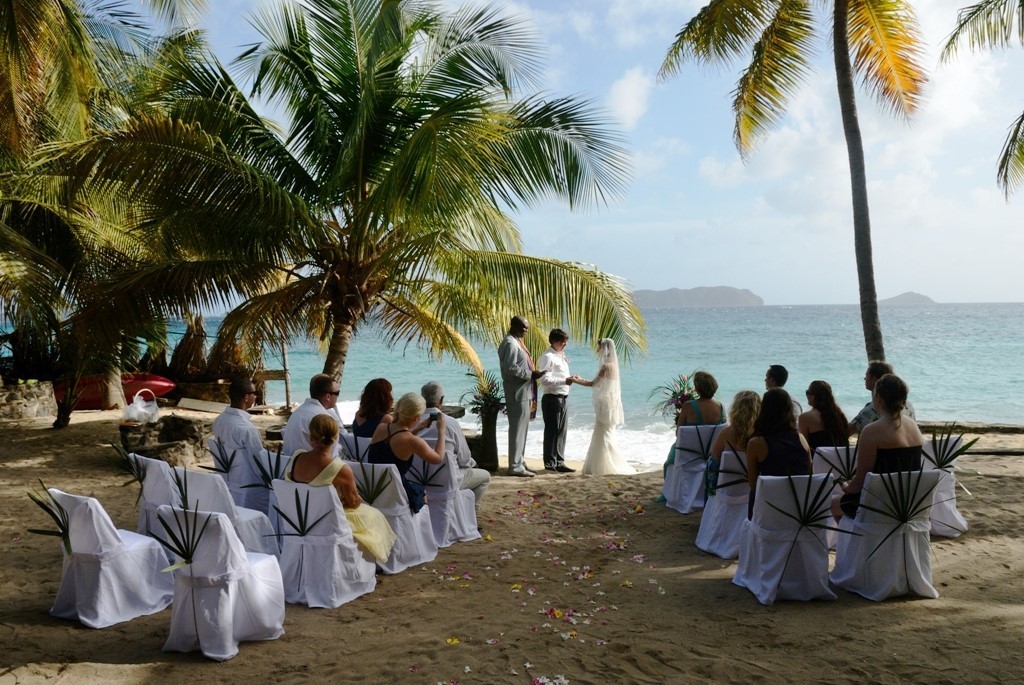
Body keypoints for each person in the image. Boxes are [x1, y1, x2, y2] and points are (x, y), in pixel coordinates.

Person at [287, 414, 396, 562]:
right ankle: (375, 561)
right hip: (329, 521)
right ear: (335, 437)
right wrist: (355, 498)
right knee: (375, 515)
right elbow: (353, 503)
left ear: (310, 438)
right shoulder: (339, 468)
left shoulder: (296, 458)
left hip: (302, 519)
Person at [833, 373, 924, 520]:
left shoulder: (872, 431)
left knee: (832, 505)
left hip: (877, 504)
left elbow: (861, 481)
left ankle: (857, 541)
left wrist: (846, 487)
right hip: (907, 503)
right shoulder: (912, 425)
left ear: (879, 398)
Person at [368, 392, 446, 513]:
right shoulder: (412, 441)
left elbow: (397, 440)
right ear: (415, 418)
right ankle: (418, 526)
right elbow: (438, 458)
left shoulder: (382, 427)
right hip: (396, 490)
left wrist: (417, 428)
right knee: (420, 491)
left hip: (375, 488)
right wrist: (441, 431)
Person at [420, 381, 490, 507]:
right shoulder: (450, 423)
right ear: (441, 400)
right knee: (485, 477)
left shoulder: (413, 422)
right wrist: (471, 464)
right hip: (448, 481)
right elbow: (464, 458)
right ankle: (469, 514)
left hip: (420, 480)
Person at [745, 388, 812, 518]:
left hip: (767, 511)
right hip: (798, 510)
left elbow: (753, 484)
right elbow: (809, 475)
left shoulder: (756, 443)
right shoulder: (800, 438)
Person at [572, 339, 635, 476]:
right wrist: (581, 378)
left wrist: (576, 380)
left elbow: (593, 384)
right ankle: (606, 463)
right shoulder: (614, 366)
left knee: (602, 435)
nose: (598, 351)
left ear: (604, 349)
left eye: (598, 348)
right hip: (612, 404)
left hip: (604, 405)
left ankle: (603, 466)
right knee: (608, 433)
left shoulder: (605, 367)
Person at [498, 315, 546, 477]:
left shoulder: (516, 341)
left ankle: (519, 461)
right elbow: (510, 368)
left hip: (524, 392)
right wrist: (531, 374)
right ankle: (515, 466)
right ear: (513, 325)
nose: (526, 330)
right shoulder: (510, 344)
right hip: (516, 393)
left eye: (527, 327)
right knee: (517, 429)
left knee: (523, 429)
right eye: (523, 327)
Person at [537, 329, 576, 473]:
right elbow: (544, 379)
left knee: (561, 431)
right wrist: (564, 381)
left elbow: (560, 375)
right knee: (552, 431)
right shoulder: (547, 357)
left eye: (565, 342)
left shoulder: (560, 356)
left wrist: (570, 378)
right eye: (561, 342)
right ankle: (550, 463)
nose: (564, 344)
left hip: (562, 397)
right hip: (552, 398)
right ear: (553, 341)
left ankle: (559, 461)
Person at [849, 360, 916, 434]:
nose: (865, 379)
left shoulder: (871, 410)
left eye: (866, 376)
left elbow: (846, 432)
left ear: (874, 380)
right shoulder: (907, 405)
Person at [282, 374, 341, 457]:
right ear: (328, 396)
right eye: (337, 393)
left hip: (290, 465)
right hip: (313, 467)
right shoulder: (325, 420)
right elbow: (332, 456)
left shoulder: (297, 412)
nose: (338, 396)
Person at [211, 377, 263, 462]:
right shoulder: (248, 429)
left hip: (225, 474)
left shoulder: (219, 421)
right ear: (246, 397)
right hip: (248, 475)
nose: (256, 396)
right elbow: (260, 464)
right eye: (254, 393)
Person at [798, 380, 851, 450]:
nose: (807, 395)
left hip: (817, 459)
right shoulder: (840, 415)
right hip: (839, 459)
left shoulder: (805, 417)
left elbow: (804, 448)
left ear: (814, 396)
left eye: (807, 392)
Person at [711, 390, 761, 459]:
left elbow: (714, 458)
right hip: (751, 470)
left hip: (727, 469)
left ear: (735, 409)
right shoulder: (761, 435)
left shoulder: (726, 432)